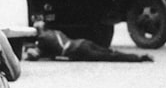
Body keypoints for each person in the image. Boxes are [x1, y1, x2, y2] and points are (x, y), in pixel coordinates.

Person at [26, 22, 154, 62]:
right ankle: (138, 57)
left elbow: (37, 55)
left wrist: (28, 53)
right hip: (82, 43)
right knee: (110, 53)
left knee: (109, 57)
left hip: (77, 51)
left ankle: (139, 58)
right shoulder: (54, 32)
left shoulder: (42, 39)